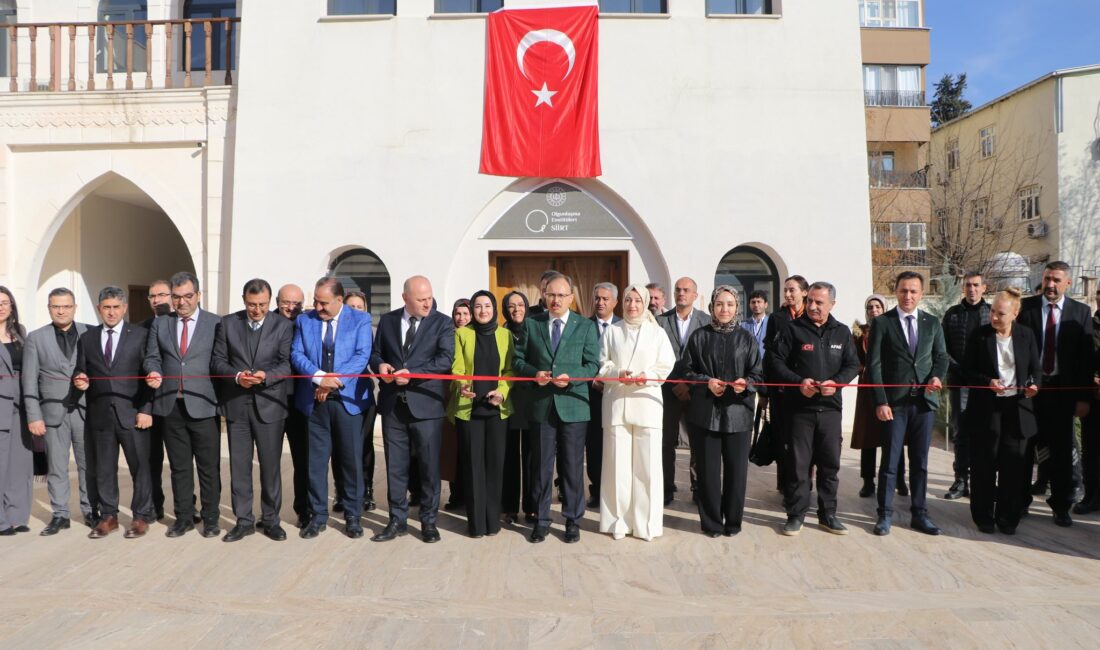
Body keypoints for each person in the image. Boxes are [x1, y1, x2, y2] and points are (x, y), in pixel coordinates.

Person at [513, 272, 600, 544]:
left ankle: (573, 520)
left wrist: (571, 377)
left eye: (562, 295)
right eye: (551, 295)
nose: (556, 300)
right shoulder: (532, 324)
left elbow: (592, 364)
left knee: (572, 467)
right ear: (544, 296)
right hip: (542, 406)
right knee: (541, 467)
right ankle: (541, 520)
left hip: (574, 406)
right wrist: (533, 374)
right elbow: (517, 361)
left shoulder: (585, 326)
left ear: (571, 298)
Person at [767, 282, 860, 536]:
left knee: (830, 465)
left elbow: (853, 364)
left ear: (832, 304)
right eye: (810, 301)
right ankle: (796, 515)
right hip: (800, 411)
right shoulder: (792, 329)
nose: (813, 306)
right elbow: (774, 361)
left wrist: (837, 383)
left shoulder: (841, 332)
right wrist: (799, 383)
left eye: (819, 302)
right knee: (798, 465)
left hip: (830, 410)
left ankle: (828, 515)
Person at [370, 275, 454, 544]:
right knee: (395, 466)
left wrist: (413, 374)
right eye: (421, 299)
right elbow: (376, 353)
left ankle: (429, 521)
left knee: (429, 467)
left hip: (426, 405)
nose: (427, 303)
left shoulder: (442, 322)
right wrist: (380, 366)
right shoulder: (388, 320)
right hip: (393, 405)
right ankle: (397, 520)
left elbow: (445, 360)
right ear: (405, 298)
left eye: (429, 297)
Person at [211, 278, 294, 542]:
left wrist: (265, 376)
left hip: (269, 405)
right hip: (237, 404)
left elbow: (286, 364)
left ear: (270, 302)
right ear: (243, 300)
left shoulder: (282, 325)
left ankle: (271, 520)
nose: (256, 310)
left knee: (270, 467)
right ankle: (243, 520)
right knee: (239, 466)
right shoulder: (227, 323)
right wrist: (237, 377)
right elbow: (217, 361)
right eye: (251, 304)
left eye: (262, 305)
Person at [866, 271, 949, 536]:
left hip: (923, 404)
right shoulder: (883, 323)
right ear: (896, 291)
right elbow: (874, 365)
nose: (908, 296)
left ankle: (920, 513)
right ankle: (885, 514)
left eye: (913, 291)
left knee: (920, 462)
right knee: (890, 461)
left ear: (921, 294)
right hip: (894, 405)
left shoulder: (932, 323)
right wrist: (880, 401)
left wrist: (937, 376)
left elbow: (942, 356)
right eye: (903, 290)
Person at [291, 277, 374, 540]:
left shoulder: (360, 320)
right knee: (315, 463)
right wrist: (318, 377)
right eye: (315, 300)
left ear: (339, 300)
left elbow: (361, 356)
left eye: (324, 302)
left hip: (348, 402)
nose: (318, 306)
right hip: (314, 404)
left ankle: (352, 515)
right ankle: (317, 516)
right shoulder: (306, 321)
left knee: (350, 461)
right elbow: (297, 354)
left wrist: (332, 382)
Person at [678, 285, 762, 537]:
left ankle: (733, 522)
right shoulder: (699, 336)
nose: (724, 309)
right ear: (712, 306)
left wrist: (744, 384)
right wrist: (706, 382)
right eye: (719, 304)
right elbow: (687, 371)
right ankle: (712, 522)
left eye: (730, 304)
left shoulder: (747, 339)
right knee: (707, 473)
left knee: (737, 473)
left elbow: (758, 374)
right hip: (705, 415)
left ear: (737, 307)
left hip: (738, 415)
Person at [144, 271, 222, 539]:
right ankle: (184, 518)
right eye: (176, 297)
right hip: (170, 406)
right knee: (179, 467)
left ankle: (211, 519)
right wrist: (152, 372)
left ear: (198, 295)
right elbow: (152, 358)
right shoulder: (161, 324)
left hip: (203, 405)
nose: (181, 302)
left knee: (208, 467)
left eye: (188, 296)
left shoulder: (215, 323)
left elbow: (220, 361)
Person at [73, 286, 155, 539]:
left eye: (116, 307)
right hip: (100, 416)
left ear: (125, 308)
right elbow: (80, 370)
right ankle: (109, 516)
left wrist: (146, 409)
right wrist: (79, 379)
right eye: (106, 307)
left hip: (132, 414)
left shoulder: (140, 335)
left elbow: (150, 371)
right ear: (99, 309)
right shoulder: (87, 338)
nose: (111, 312)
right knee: (105, 469)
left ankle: (141, 516)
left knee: (140, 467)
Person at [1018, 261, 1094, 527]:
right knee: (1024, 448)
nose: (1050, 285)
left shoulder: (1080, 312)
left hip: (1063, 392)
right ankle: (1020, 501)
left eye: (1056, 280)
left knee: (1061, 451)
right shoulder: (1025, 309)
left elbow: (1086, 359)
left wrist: (1084, 397)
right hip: (1029, 393)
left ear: (1068, 283)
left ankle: (1061, 506)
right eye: (1047, 278)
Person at [596, 284, 675, 541]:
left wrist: (646, 377)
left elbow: (666, 365)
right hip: (617, 403)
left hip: (647, 404)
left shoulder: (657, 333)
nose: (632, 305)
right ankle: (618, 522)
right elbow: (601, 362)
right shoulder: (612, 331)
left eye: (637, 301)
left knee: (648, 468)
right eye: (628, 300)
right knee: (617, 467)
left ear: (645, 303)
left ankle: (646, 525)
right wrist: (617, 373)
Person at [961, 287, 1040, 535]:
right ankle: (983, 516)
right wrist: (987, 382)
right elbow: (964, 371)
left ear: (1015, 314)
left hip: (1017, 408)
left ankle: (1008, 517)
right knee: (984, 465)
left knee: (1013, 467)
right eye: (993, 312)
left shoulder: (1027, 335)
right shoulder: (979, 336)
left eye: (1001, 313)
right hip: (986, 408)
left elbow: (1036, 370)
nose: (994, 317)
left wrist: (1034, 386)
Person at [23, 287, 96, 535]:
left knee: (89, 464)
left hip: (86, 411)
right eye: (56, 306)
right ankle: (60, 514)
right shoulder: (36, 338)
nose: (61, 310)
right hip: (52, 412)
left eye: (66, 306)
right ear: (49, 308)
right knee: (56, 466)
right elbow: (29, 380)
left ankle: (89, 509)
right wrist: (34, 415)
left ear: (75, 307)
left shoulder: (91, 333)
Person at [450, 291, 513, 538]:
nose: (483, 310)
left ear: (494, 308)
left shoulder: (505, 335)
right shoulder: (462, 333)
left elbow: (509, 370)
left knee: (495, 467)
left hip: (497, 410)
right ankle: (476, 524)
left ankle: (492, 522)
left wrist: (503, 391)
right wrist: (463, 385)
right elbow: (457, 367)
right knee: (473, 467)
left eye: (487, 306)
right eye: (478, 306)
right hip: (470, 410)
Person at [656, 277, 709, 505]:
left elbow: (707, 359)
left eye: (686, 290)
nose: (681, 293)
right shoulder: (659, 322)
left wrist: (688, 384)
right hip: (668, 391)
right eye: (678, 290)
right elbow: (655, 356)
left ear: (695, 295)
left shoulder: (706, 321)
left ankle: (698, 489)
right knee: (666, 442)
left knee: (698, 442)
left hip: (696, 392)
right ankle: (666, 489)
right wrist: (675, 383)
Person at [850, 294, 906, 498]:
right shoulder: (858, 334)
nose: (874, 310)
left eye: (878, 307)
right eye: (870, 307)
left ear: (884, 309)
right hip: (867, 390)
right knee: (868, 437)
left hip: (890, 389)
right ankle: (868, 481)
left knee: (894, 435)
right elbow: (853, 359)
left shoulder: (895, 328)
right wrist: (862, 367)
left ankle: (899, 479)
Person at [940, 272, 990, 500]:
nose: (972, 289)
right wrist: (959, 370)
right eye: (968, 285)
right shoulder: (952, 314)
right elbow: (942, 348)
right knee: (961, 433)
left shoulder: (991, 314)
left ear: (984, 288)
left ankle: (984, 481)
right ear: (963, 288)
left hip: (986, 385)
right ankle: (961, 480)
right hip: (960, 382)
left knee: (986, 433)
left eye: (976, 285)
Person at [765, 275, 810, 493]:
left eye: (792, 290)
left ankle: (804, 484)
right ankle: (784, 484)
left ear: (804, 292)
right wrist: (765, 389)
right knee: (783, 437)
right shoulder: (777, 318)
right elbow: (769, 354)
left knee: (804, 439)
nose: (788, 294)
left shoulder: (813, 316)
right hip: (781, 388)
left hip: (806, 387)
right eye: (785, 291)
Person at [275, 284, 310, 527]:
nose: (291, 307)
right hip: (273, 401)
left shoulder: (308, 323)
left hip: (302, 402)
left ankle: (304, 510)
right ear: (277, 302)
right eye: (286, 302)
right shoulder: (268, 324)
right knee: (270, 461)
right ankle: (270, 513)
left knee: (303, 460)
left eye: (296, 303)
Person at [500, 290, 536, 524]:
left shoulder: (535, 329)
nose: (516, 310)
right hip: (508, 401)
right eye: (511, 306)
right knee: (509, 456)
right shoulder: (500, 332)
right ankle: (509, 507)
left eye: (520, 304)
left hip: (533, 400)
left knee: (533, 457)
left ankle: (532, 507)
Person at [340, 290, 377, 512]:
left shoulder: (369, 331)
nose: (355, 311)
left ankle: (367, 490)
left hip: (362, 395)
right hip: (340, 394)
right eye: (350, 307)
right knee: (341, 448)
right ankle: (341, 491)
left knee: (364, 445)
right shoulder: (335, 331)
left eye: (359, 307)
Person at [586, 282, 621, 507]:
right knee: (595, 445)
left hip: (618, 395)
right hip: (591, 395)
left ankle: (615, 491)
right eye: (597, 298)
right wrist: (593, 380)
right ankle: (596, 491)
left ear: (615, 302)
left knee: (617, 444)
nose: (600, 302)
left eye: (605, 299)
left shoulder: (624, 326)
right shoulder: (583, 325)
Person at [0, 287, 31, 537]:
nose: (1, 306)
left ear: (12, 306)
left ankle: (18, 515)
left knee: (20, 464)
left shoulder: (20, 333)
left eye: (5, 302)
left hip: (21, 406)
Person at [142, 279, 173, 521]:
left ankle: (187, 504)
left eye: (162, 294)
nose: (157, 300)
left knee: (180, 461)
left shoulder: (182, 324)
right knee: (152, 459)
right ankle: (155, 505)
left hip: (177, 404)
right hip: (150, 404)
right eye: (152, 296)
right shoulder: (141, 329)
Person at [441, 298, 472, 513]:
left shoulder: (476, 336)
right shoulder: (448, 335)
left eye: (465, 313)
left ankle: (469, 494)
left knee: (468, 449)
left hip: (470, 397)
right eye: (457, 313)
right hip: (449, 396)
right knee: (452, 450)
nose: (461, 318)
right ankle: (456, 494)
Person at [1076, 287, 1100, 515]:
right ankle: (1091, 495)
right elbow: (1081, 361)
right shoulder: (1088, 326)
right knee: (1091, 451)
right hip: (1092, 400)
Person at [741, 290, 769, 360]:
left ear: (766, 304)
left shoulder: (772, 323)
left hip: (767, 365)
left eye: (759, 302)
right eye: (753, 302)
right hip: (748, 365)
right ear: (749, 305)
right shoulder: (743, 325)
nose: (756, 305)